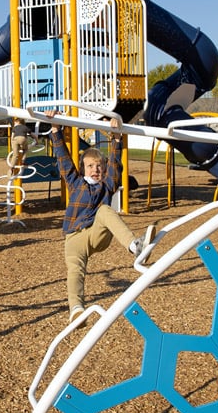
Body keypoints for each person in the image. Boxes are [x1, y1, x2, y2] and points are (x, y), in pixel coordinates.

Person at [46, 110, 155, 324]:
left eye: (98, 166)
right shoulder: (75, 182)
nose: (95, 169)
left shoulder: (108, 185)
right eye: (90, 166)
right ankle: (76, 309)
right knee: (75, 270)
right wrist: (56, 129)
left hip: (97, 235)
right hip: (74, 237)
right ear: (83, 169)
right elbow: (63, 158)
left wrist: (116, 137)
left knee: (106, 210)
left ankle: (135, 247)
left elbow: (115, 163)